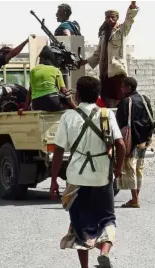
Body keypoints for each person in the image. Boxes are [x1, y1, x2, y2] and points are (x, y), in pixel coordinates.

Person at [50, 76, 126, 268]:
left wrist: (53, 181)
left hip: (76, 178)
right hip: (102, 176)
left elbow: (58, 151)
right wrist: (117, 170)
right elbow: (121, 145)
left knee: (79, 224)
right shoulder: (107, 114)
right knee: (107, 218)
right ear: (97, 94)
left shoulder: (68, 117)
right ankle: (104, 252)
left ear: (78, 93)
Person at [79, 1, 139, 108]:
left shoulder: (122, 30)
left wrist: (132, 7)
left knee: (119, 100)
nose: (109, 19)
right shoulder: (103, 34)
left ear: (117, 18)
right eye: (107, 17)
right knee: (106, 101)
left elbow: (129, 19)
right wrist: (83, 62)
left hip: (117, 73)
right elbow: (97, 54)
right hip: (105, 73)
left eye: (112, 17)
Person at [115, 77, 154, 208]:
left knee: (130, 167)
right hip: (144, 139)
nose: (120, 89)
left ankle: (135, 199)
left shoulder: (125, 102)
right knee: (139, 168)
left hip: (131, 139)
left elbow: (119, 123)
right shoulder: (144, 99)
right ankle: (136, 197)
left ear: (129, 87)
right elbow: (150, 117)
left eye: (122, 86)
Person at [24, 45, 77, 112]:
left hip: (36, 104)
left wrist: (24, 108)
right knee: (67, 102)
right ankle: (78, 111)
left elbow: (30, 91)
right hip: (51, 102)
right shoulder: (55, 70)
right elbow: (63, 91)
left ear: (41, 59)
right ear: (51, 59)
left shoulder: (33, 71)